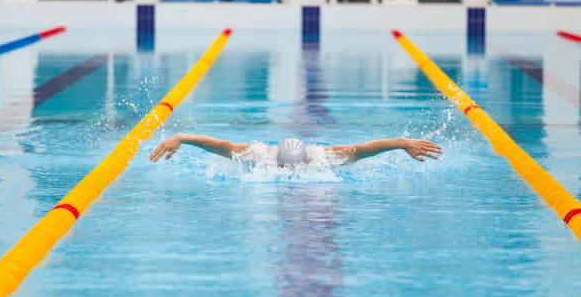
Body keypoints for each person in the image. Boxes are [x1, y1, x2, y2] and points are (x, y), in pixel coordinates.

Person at [149, 133, 443, 166]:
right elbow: (222, 146)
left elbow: (363, 149)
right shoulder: (260, 153)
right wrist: (182, 137)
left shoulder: (322, 157)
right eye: (283, 167)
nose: (288, 172)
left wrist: (403, 143)